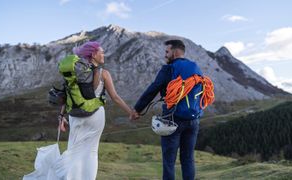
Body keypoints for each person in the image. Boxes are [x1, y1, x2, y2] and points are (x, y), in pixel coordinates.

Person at [24, 41, 138, 180]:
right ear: (93, 54)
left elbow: (67, 95)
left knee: (73, 150)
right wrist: (130, 112)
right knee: (91, 152)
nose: (103, 54)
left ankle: (61, 174)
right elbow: (115, 97)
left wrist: (61, 116)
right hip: (95, 116)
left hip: (75, 117)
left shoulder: (74, 72)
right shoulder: (103, 73)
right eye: (101, 52)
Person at [133, 40, 213, 180]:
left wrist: (137, 109)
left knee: (169, 161)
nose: (165, 55)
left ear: (175, 52)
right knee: (188, 158)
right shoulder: (196, 68)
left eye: (167, 52)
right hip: (193, 120)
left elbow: (153, 89)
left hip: (172, 119)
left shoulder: (168, 69)